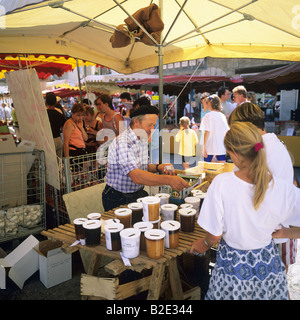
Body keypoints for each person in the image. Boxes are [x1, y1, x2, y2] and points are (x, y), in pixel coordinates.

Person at [190, 122, 300, 300]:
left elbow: (214, 237)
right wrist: (287, 232)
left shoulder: (221, 184)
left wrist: (203, 244)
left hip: (232, 272)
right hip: (268, 269)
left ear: (233, 154)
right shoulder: (280, 188)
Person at [228, 102, 296, 271]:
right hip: (281, 232)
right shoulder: (275, 143)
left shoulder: (259, 151)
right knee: (277, 286)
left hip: (269, 236)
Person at [102, 104, 190, 211]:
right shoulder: (123, 142)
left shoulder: (142, 139)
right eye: (150, 125)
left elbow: (144, 167)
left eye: (154, 125)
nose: (152, 129)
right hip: (117, 197)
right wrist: (169, 180)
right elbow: (136, 176)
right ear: (136, 122)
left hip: (136, 194)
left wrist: (159, 167)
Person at [199, 94, 229, 163]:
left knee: (205, 169)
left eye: (206, 102)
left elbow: (207, 132)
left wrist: (203, 147)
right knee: (221, 168)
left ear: (210, 103)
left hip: (209, 146)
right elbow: (226, 131)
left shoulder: (207, 116)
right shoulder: (222, 116)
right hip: (220, 146)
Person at [45, 92, 66, 158]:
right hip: (58, 139)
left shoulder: (43, 115)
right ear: (56, 102)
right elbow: (65, 127)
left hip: (48, 140)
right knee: (59, 162)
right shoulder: (59, 114)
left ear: (46, 102)